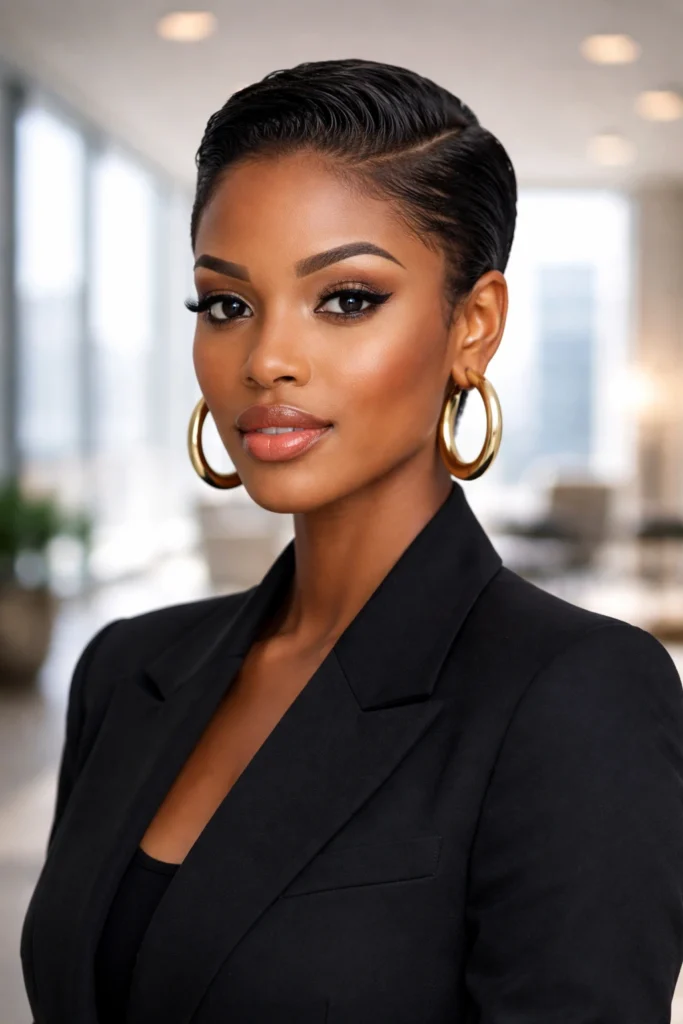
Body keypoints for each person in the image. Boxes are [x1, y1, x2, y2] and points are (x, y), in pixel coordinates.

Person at [21, 58, 683, 1024]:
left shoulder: (577, 696)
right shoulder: (125, 669)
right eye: (226, 303)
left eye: (346, 298)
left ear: (474, 325)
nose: (266, 359)